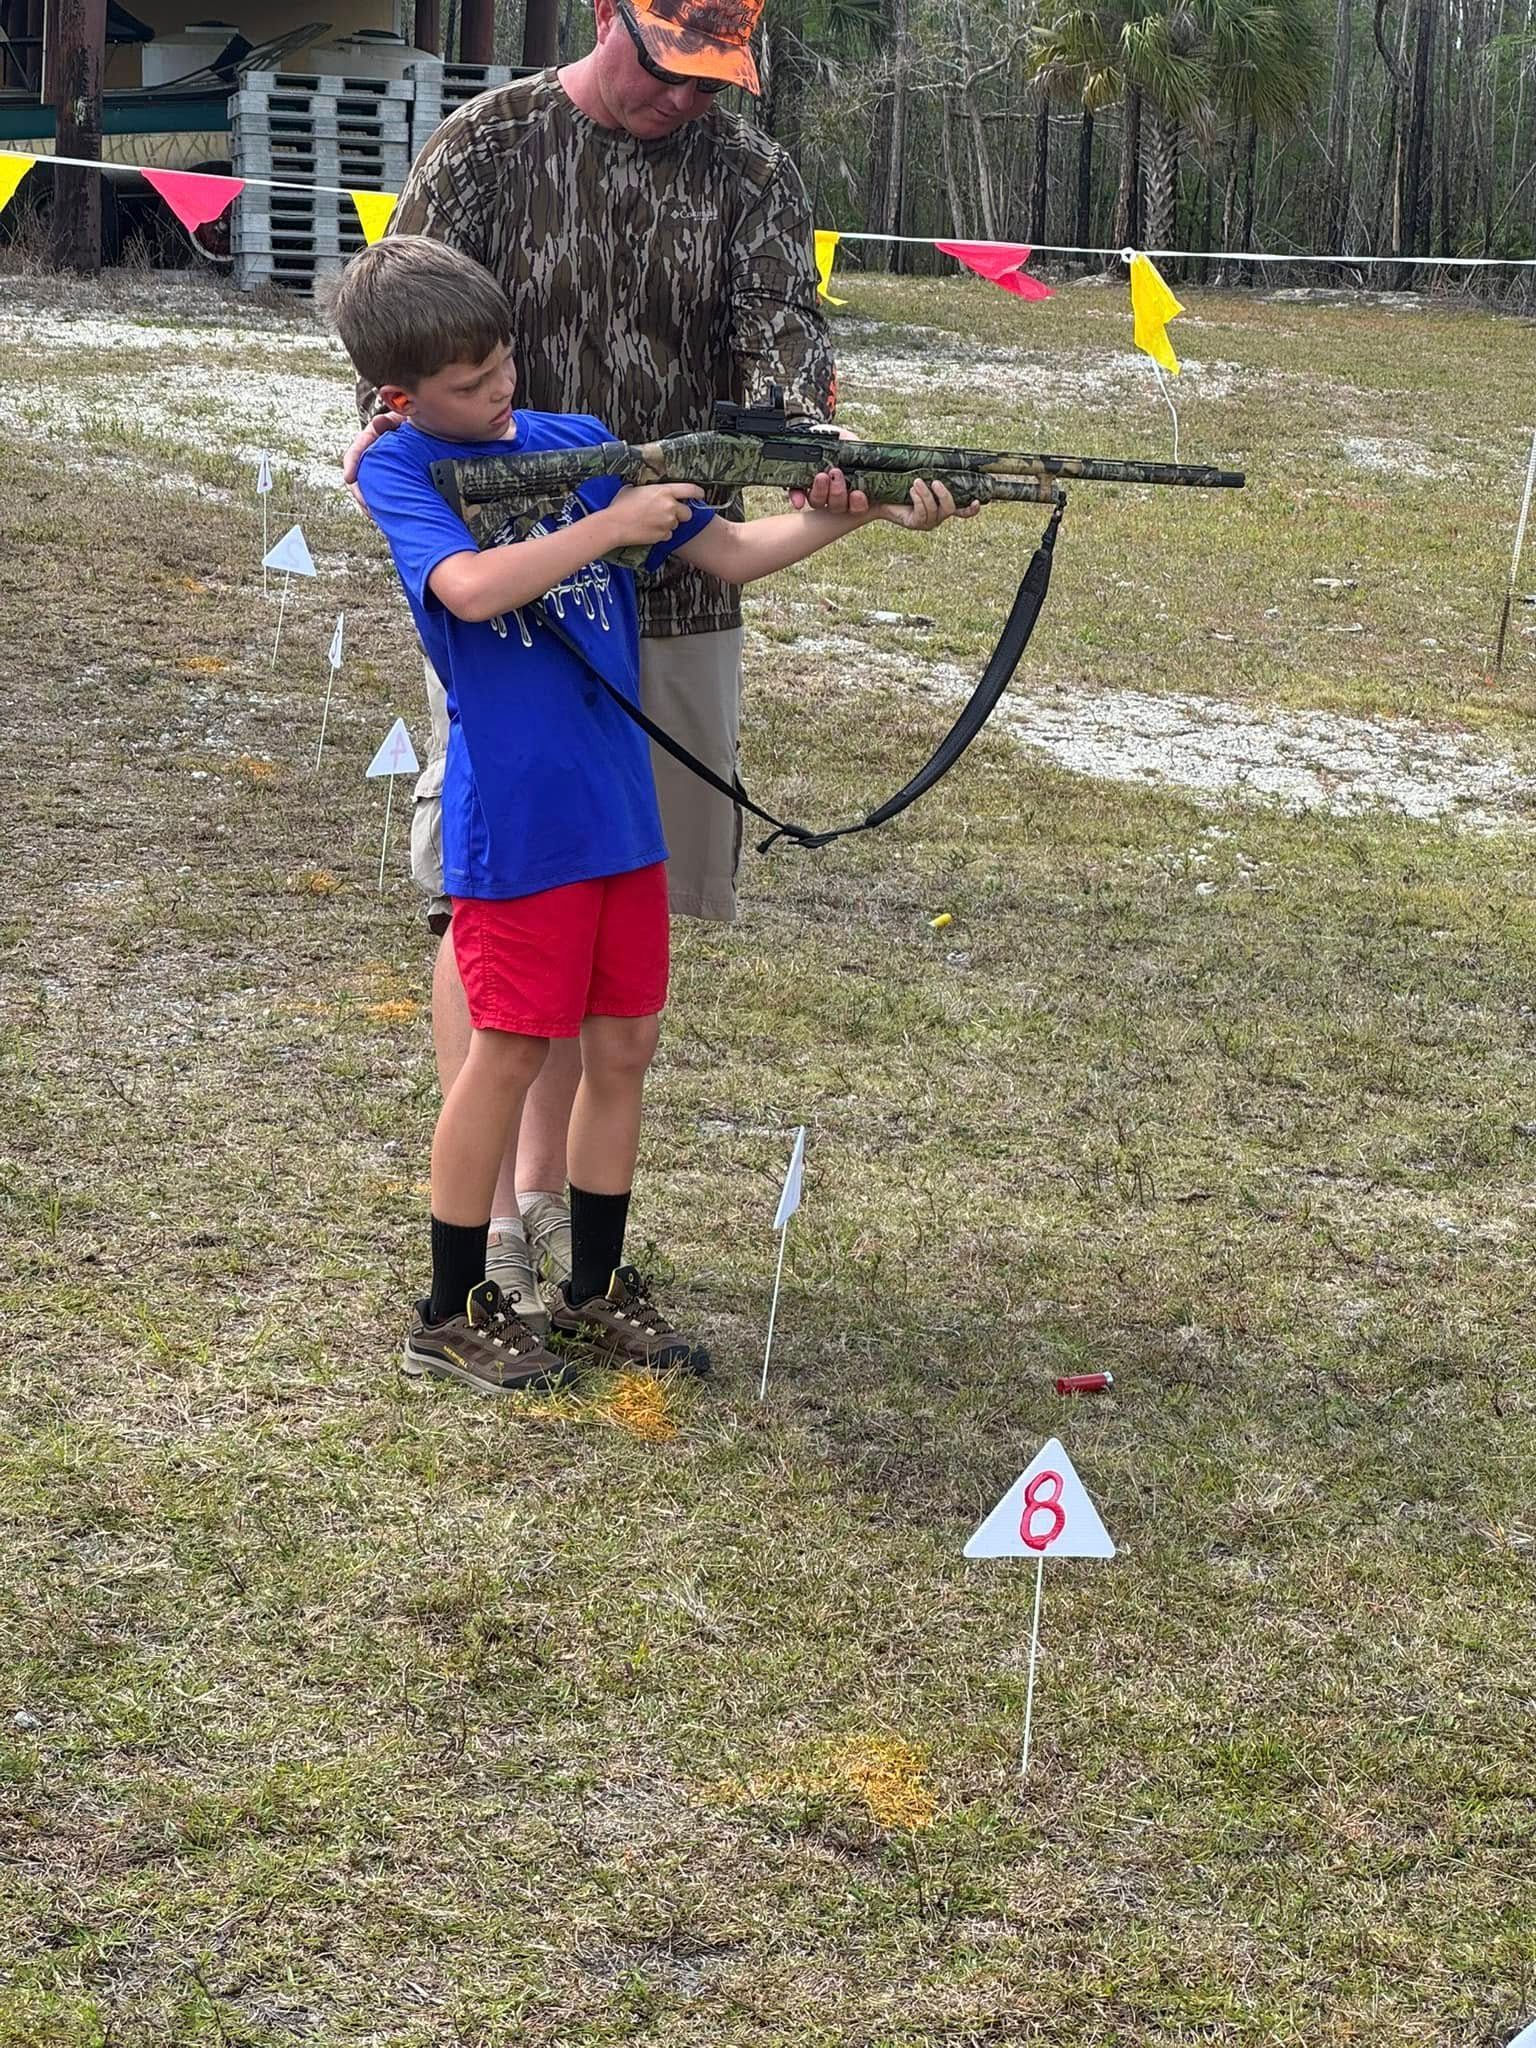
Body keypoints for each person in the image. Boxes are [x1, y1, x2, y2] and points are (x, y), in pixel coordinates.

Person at [330, 236, 973, 1391]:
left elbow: (728, 551)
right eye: (469, 385)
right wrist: (608, 528)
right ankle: (449, 1303)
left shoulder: (579, 449)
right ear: (398, 398)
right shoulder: (402, 471)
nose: (499, 393)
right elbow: (469, 590)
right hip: (519, 821)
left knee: (623, 1045)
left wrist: (863, 513)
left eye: (504, 365)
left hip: (622, 810)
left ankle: (595, 1286)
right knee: (509, 1051)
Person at [343, 0, 848, 1339]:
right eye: (673, 73)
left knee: (623, 990)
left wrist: (834, 486)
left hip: (655, 630)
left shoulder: (748, 172)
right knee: (496, 944)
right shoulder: (490, 144)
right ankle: (486, 1238)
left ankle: (584, 1254)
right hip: (517, 653)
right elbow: (402, 355)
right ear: (610, 24)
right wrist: (411, 461)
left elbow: (782, 358)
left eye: (716, 83)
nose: (692, 102)